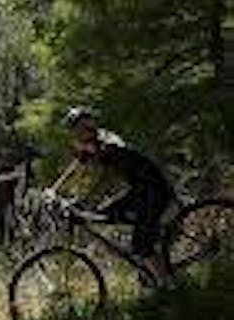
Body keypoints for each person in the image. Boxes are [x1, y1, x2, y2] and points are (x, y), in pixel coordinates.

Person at [47, 106, 175, 284]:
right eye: (71, 130)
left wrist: (83, 203)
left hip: (154, 189)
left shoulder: (108, 145)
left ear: (86, 128)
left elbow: (106, 180)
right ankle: (146, 261)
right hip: (139, 188)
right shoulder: (90, 143)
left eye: (74, 129)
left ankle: (168, 285)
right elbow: (75, 169)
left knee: (141, 245)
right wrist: (54, 189)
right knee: (106, 215)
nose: (72, 134)